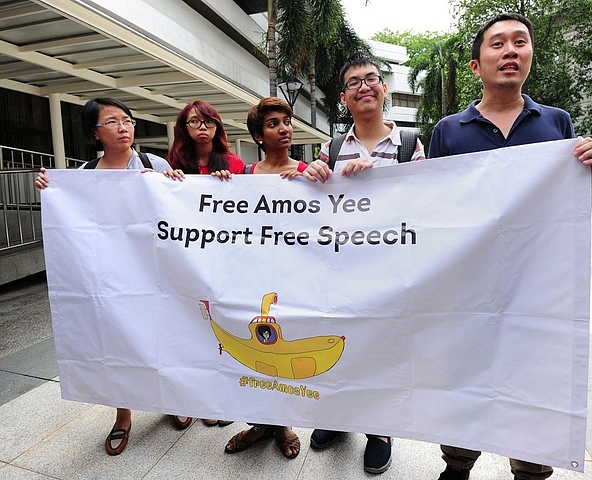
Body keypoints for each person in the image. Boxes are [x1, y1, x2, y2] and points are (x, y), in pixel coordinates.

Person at [427, 13, 592, 480]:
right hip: (467, 290)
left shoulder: (558, 123)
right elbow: (427, 206)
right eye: (498, 44)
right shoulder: (449, 130)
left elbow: (564, 205)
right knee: (464, 383)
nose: (510, 51)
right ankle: (457, 466)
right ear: (476, 64)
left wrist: (588, 166)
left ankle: (530, 471)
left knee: (536, 384)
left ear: (530, 56)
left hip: (538, 291)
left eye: (520, 42)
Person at [35, 97, 184, 456]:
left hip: (152, 274)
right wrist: (49, 189)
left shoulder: (153, 163)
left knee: (161, 337)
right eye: (112, 122)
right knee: (115, 341)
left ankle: (174, 400)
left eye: (127, 120)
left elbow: (178, 213)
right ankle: (122, 414)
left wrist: (174, 183)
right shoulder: (84, 176)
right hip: (107, 279)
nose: (124, 127)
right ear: (95, 133)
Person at [302, 51, 426, 474]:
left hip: (391, 274)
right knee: (339, 346)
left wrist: (380, 174)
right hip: (342, 273)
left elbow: (427, 205)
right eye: (354, 82)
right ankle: (339, 418)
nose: (364, 87)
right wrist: (313, 175)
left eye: (371, 79)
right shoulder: (331, 147)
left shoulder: (410, 145)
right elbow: (318, 210)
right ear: (343, 97)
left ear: (384, 88)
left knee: (382, 351)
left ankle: (379, 430)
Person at [222, 97, 304, 460]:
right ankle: (261, 422)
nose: (284, 128)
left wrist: (311, 179)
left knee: (283, 347)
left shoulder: (307, 170)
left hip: (292, 281)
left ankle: (283, 423)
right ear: (258, 135)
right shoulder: (244, 176)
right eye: (273, 124)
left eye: (286, 121)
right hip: (251, 278)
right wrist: (220, 186)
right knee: (255, 347)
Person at [165, 99, 244, 429]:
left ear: (217, 127)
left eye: (208, 122)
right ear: (184, 127)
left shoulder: (234, 163)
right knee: (187, 329)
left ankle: (220, 398)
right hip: (185, 261)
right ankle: (189, 398)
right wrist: (167, 180)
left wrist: (228, 183)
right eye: (194, 122)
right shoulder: (173, 163)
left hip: (224, 262)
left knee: (220, 329)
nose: (202, 128)